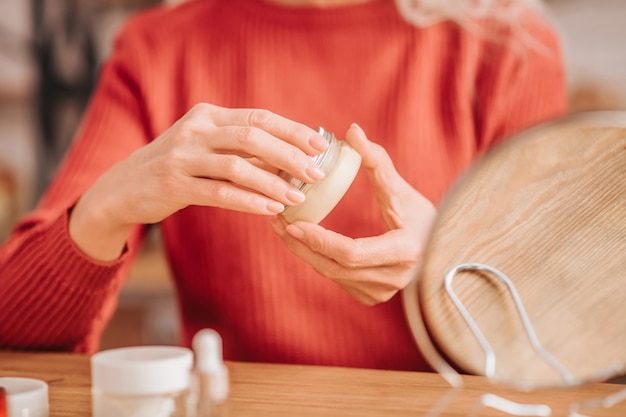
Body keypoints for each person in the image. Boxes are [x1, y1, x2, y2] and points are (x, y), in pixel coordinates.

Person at [0, 0, 566, 371]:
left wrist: (450, 260)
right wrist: (107, 204)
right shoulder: (159, 48)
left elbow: (565, 327)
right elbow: (16, 329)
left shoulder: (505, 47)